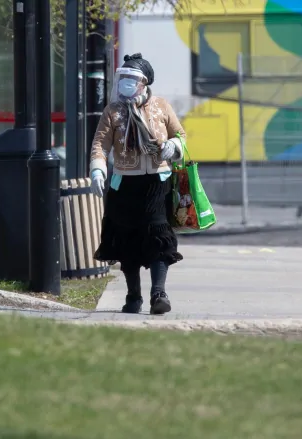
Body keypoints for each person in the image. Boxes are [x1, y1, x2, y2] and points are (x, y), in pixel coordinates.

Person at [89, 53, 185, 315]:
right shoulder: (113, 111)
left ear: (144, 83)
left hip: (157, 181)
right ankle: (133, 296)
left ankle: (158, 293)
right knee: (126, 238)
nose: (126, 83)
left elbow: (181, 135)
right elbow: (100, 143)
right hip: (124, 184)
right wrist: (98, 169)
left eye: (132, 79)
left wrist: (173, 147)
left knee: (157, 234)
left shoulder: (162, 106)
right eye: (123, 78)